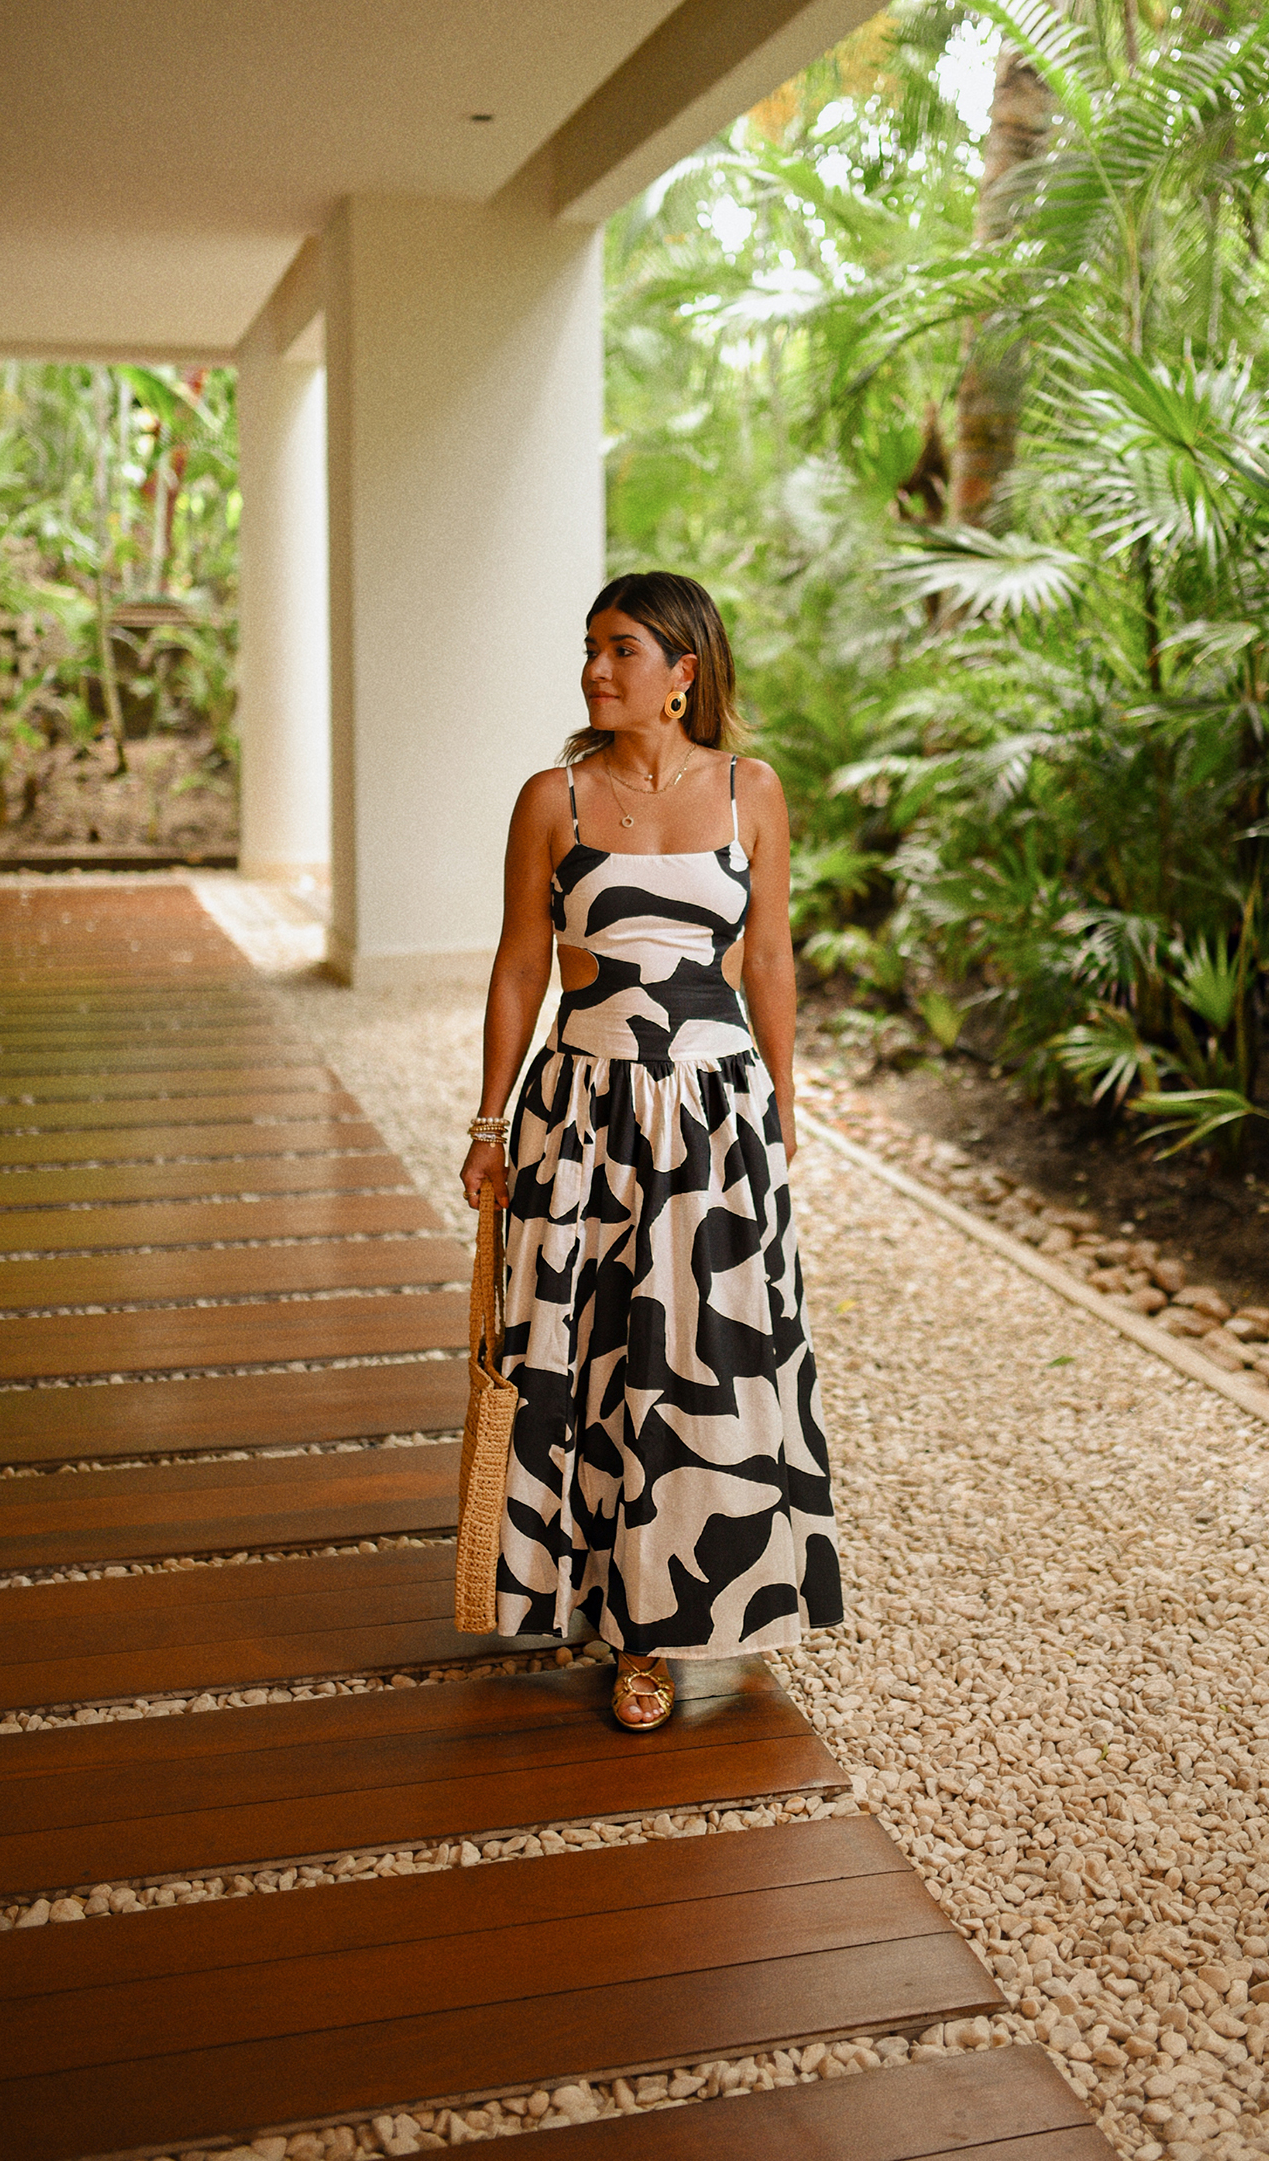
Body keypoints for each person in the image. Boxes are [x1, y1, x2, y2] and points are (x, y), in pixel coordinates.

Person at [459, 571, 842, 1731]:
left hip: (715, 1119)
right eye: (589, 648)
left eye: (621, 649)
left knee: (698, 1365)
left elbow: (767, 959)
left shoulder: (752, 793)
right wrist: (488, 1121)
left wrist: (783, 1103)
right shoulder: (553, 798)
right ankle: (594, 1610)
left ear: (685, 671)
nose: (594, 669)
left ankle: (663, 1633)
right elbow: (521, 963)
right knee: (584, 1361)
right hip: (580, 1115)